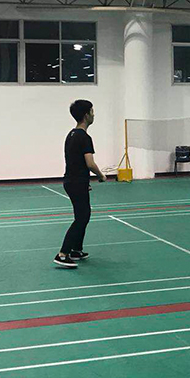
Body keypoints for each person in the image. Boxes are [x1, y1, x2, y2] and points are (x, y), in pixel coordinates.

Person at [55, 99, 106, 269]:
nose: (94, 114)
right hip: (76, 182)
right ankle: (62, 254)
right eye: (92, 111)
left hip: (73, 181)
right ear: (86, 115)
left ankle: (76, 250)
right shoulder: (84, 137)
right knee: (82, 217)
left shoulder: (71, 135)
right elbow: (89, 163)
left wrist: (85, 181)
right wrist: (101, 176)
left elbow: (76, 162)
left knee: (83, 216)